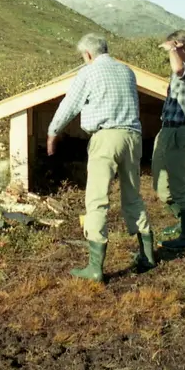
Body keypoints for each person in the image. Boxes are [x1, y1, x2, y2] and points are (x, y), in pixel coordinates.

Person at [47, 33, 155, 282]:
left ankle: (95, 269)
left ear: (87, 55)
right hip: (132, 137)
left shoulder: (88, 72)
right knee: (133, 196)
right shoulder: (127, 71)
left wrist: (53, 133)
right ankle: (147, 256)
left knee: (97, 200)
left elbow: (69, 105)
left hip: (105, 138)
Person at [152, 30, 185, 249]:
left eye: (178, 45)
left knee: (183, 185)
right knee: (161, 186)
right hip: (166, 130)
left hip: (181, 131)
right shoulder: (178, 71)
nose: (172, 49)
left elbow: (179, 69)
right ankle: (182, 221)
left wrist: (172, 50)